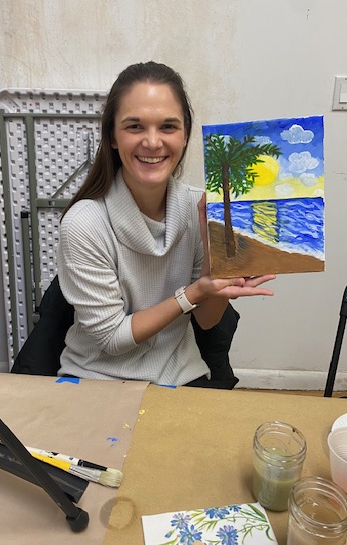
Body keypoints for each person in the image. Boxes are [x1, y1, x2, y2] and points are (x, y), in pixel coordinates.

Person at [57, 61, 275, 386]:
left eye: (168, 127)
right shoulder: (85, 223)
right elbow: (112, 338)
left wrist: (219, 275)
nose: (152, 142)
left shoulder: (201, 209)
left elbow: (206, 321)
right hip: (96, 378)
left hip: (180, 375)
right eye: (135, 126)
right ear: (113, 136)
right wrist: (194, 292)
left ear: (185, 135)